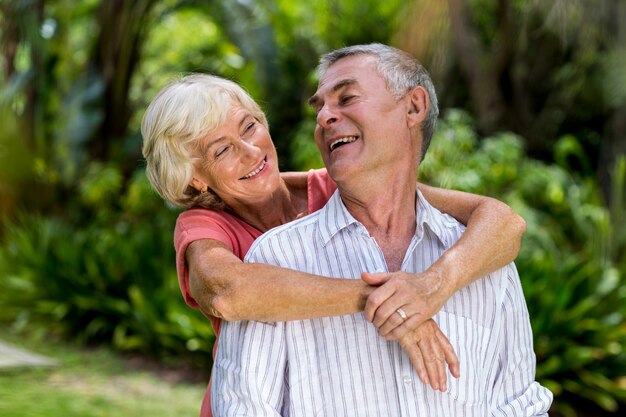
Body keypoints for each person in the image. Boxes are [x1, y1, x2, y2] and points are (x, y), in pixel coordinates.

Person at [141, 73, 526, 416]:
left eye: (250, 127)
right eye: (222, 150)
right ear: (194, 180)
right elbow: (226, 293)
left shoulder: (336, 187)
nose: (251, 151)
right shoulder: (203, 227)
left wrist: (429, 288)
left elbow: (503, 223)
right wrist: (384, 300)